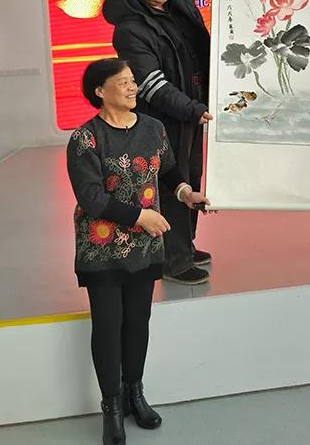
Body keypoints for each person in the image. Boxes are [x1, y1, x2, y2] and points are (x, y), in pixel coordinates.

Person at [67, 58, 209, 445]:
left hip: (145, 246)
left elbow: (168, 170)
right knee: (108, 325)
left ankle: (135, 393)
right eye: (124, 82)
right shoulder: (85, 138)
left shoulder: (152, 127)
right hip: (101, 248)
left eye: (133, 81)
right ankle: (111, 406)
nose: (133, 88)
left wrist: (185, 192)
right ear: (100, 91)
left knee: (138, 322)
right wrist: (140, 217)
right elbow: (92, 198)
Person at [103, 0, 219, 284]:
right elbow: (152, 84)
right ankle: (174, 260)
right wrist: (191, 109)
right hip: (165, 117)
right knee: (171, 183)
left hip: (192, 107)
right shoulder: (130, 29)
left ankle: (186, 244)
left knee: (192, 178)